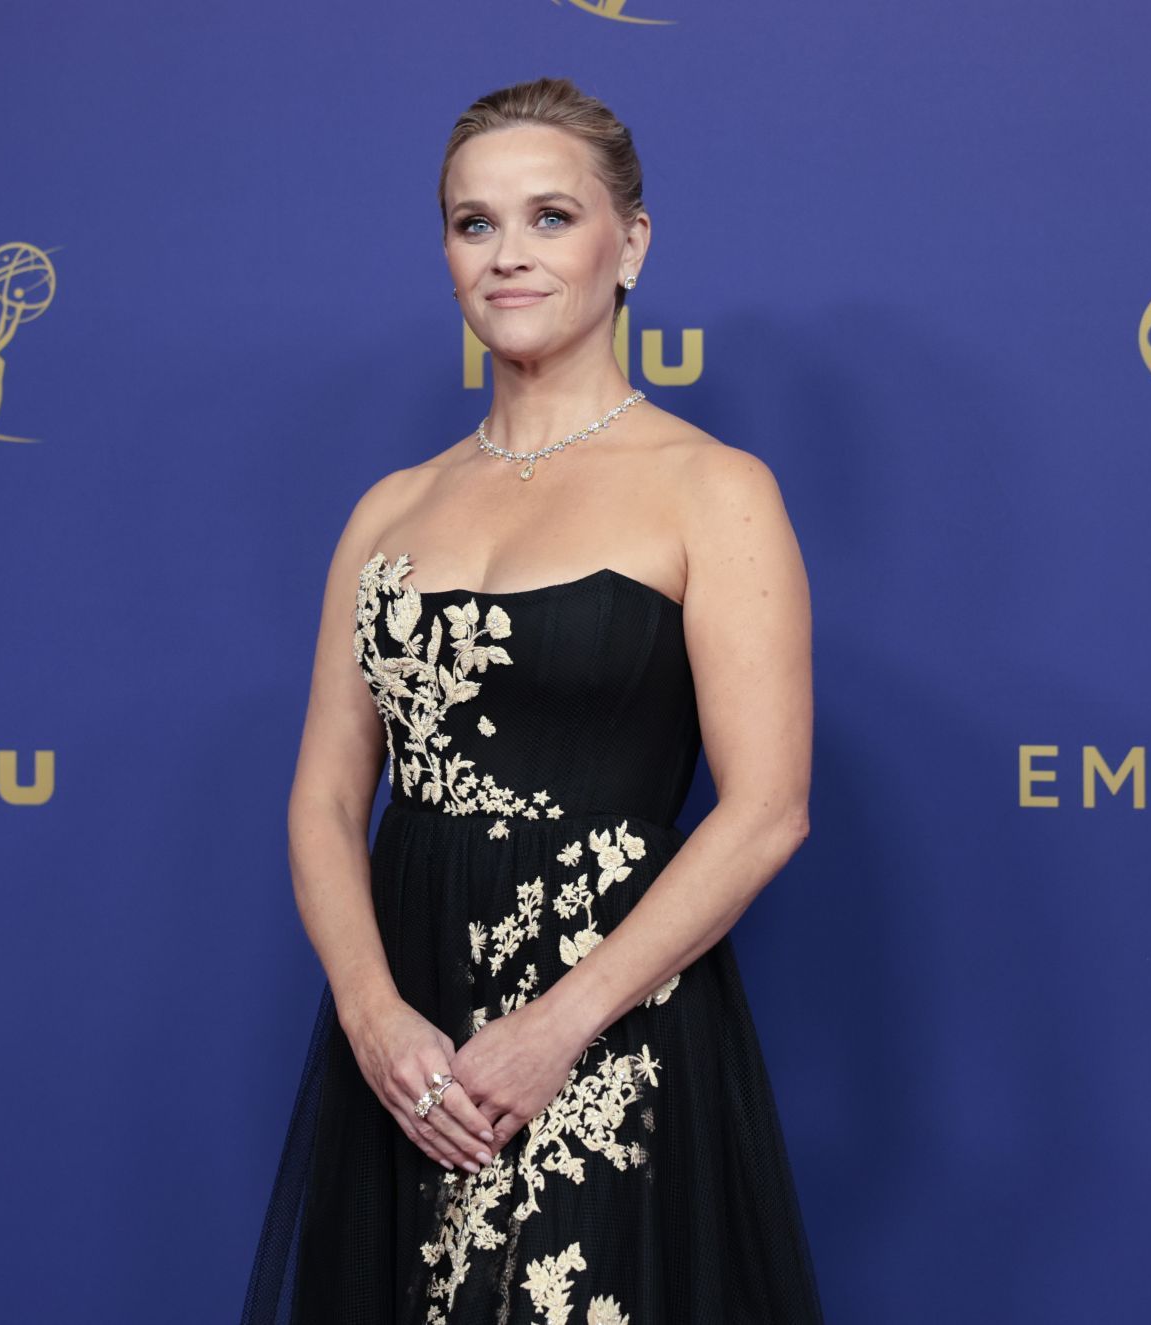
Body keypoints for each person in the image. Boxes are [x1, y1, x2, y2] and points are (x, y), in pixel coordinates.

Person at [240, 76, 825, 1325]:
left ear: (633, 244)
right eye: (473, 223)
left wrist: (557, 1026)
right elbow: (327, 797)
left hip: (608, 1020)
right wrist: (373, 1013)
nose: (508, 255)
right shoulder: (387, 509)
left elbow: (767, 808)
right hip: (408, 1047)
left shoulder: (711, 489)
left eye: (550, 217)